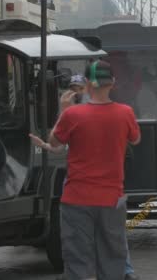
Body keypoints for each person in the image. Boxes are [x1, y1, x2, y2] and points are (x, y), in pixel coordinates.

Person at [29, 75, 141, 280]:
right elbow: (58, 145)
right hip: (104, 190)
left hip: (83, 191)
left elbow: (56, 140)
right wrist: (44, 145)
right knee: (110, 241)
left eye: (79, 88)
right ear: (112, 84)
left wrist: (64, 112)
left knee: (88, 247)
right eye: (73, 88)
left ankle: (126, 270)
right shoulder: (119, 112)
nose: (76, 92)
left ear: (88, 87)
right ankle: (124, 271)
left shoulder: (72, 114)